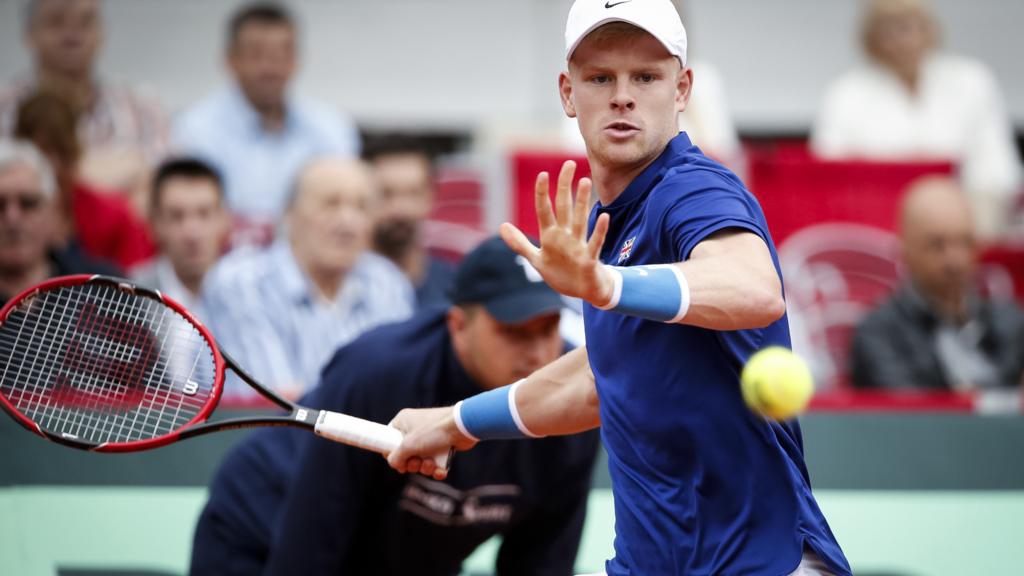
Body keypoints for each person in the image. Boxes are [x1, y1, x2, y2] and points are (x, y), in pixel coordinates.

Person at [387, 2, 851, 575]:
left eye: (646, 77)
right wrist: (456, 422)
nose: (622, 96)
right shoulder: (609, 228)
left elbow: (754, 288)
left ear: (682, 90)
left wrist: (606, 285)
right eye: (601, 77)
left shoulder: (694, 190)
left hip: (762, 563)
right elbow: (597, 377)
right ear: (567, 93)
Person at [189, 236, 600, 576]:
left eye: (548, 328)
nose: (538, 353)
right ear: (458, 324)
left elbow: (542, 561)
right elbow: (311, 540)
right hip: (262, 533)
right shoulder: (376, 372)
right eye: (514, 332)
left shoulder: (568, 402)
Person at [202, 157, 413, 400]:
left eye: (362, 207)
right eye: (330, 204)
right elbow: (273, 403)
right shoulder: (242, 283)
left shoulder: (387, 283)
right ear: (289, 215)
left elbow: (403, 391)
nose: (348, 221)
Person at [811, 0, 1022, 238]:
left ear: (930, 27)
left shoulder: (971, 81)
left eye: (909, 25)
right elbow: (833, 177)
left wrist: (968, 231)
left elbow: (995, 169)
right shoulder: (845, 94)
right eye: (888, 28)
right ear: (869, 36)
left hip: (965, 235)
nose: (901, 38)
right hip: (876, 236)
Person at [172, 2, 361, 242]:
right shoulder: (196, 130)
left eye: (281, 55)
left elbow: (347, 207)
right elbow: (192, 219)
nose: (270, 67)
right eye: (256, 54)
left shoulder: (331, 126)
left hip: (312, 260)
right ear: (230, 60)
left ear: (296, 60)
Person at [850, 176, 1024, 391]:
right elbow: (910, 418)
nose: (955, 260)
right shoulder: (879, 334)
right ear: (905, 250)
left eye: (965, 242)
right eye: (937, 245)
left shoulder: (1011, 321)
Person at [0, 0, 169, 209]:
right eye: (56, 21)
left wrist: (46, 174)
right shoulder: (5, 107)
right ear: (29, 34)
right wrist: (123, 171)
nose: (72, 33)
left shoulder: (142, 108)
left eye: (86, 21)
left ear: (102, 33)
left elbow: (165, 191)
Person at [14, 88, 156, 269]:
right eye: (39, 155)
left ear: (74, 153)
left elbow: (139, 282)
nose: (52, 167)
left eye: (61, 152)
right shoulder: (9, 216)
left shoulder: (114, 216)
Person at [0, 139, 117, 308]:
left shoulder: (105, 289)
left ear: (54, 211)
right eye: (0, 205)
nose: (12, 217)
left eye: (28, 203)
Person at [130, 157, 231, 321]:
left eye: (204, 214)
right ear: (154, 224)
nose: (192, 232)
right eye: (176, 216)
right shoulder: (127, 296)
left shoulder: (251, 296)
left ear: (225, 220)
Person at [365, 136, 456, 308]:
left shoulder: (455, 287)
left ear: (431, 196)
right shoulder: (342, 285)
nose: (401, 209)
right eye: (386, 194)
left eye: (414, 193)